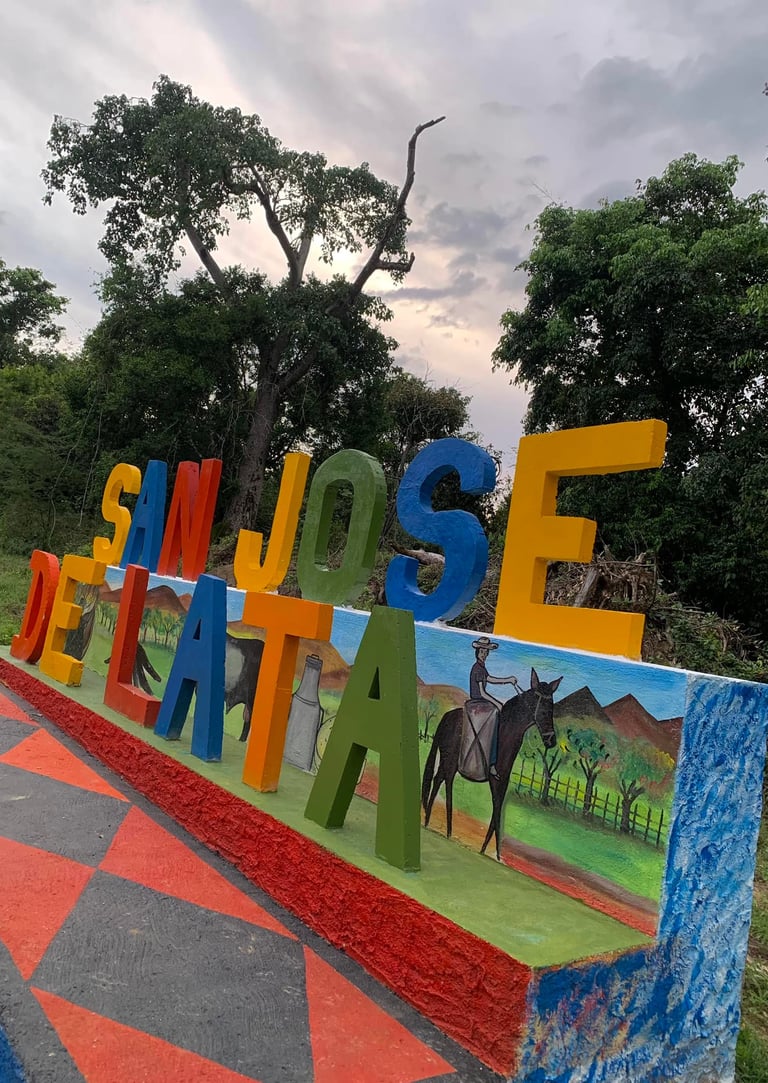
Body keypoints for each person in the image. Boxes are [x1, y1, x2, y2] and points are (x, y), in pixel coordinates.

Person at [469, 637, 518, 778]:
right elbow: (482, 693)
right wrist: (497, 703)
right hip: (478, 701)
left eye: (486, 652)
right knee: (495, 719)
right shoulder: (477, 668)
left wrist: (508, 680)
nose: (484, 654)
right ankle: (491, 763)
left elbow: (490, 679)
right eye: (482, 651)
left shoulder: (482, 668)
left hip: (482, 701)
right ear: (477, 652)